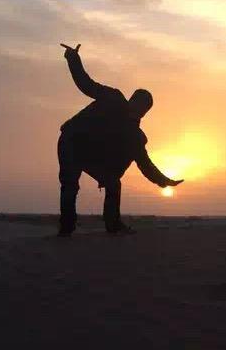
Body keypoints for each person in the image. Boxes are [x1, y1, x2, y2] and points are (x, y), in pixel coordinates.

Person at [57, 43, 182, 236]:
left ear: (145, 113)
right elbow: (86, 84)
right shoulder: (112, 98)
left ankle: (113, 225)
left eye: (143, 108)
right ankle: (66, 228)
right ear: (131, 100)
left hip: (92, 154)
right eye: (137, 103)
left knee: (114, 183)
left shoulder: (135, 136)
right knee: (70, 183)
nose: (138, 109)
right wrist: (73, 58)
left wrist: (165, 181)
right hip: (72, 141)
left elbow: (145, 165)